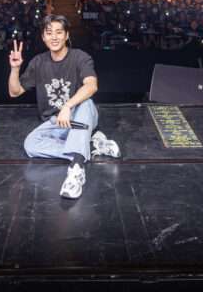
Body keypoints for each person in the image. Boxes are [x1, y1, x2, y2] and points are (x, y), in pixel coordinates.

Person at [8, 14, 120, 200]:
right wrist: (15, 68)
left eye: (59, 32)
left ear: (67, 35)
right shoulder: (38, 62)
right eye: (49, 33)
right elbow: (14, 92)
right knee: (31, 144)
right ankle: (92, 146)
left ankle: (76, 169)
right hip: (55, 124)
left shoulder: (80, 57)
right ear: (43, 37)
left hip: (79, 117)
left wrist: (68, 106)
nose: (54, 37)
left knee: (85, 102)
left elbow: (91, 86)